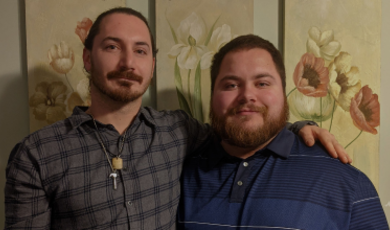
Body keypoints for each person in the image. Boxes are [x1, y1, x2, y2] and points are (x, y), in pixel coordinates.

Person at [5, 7, 350, 229]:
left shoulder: (177, 130)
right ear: (87, 57)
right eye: (112, 47)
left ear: (152, 65)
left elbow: (242, 124)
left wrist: (300, 126)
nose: (128, 62)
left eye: (140, 50)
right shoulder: (37, 154)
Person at [177, 35, 389, 229]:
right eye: (231, 85)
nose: (247, 95)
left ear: (283, 92)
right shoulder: (177, 174)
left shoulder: (345, 183)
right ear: (213, 95)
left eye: (262, 83)